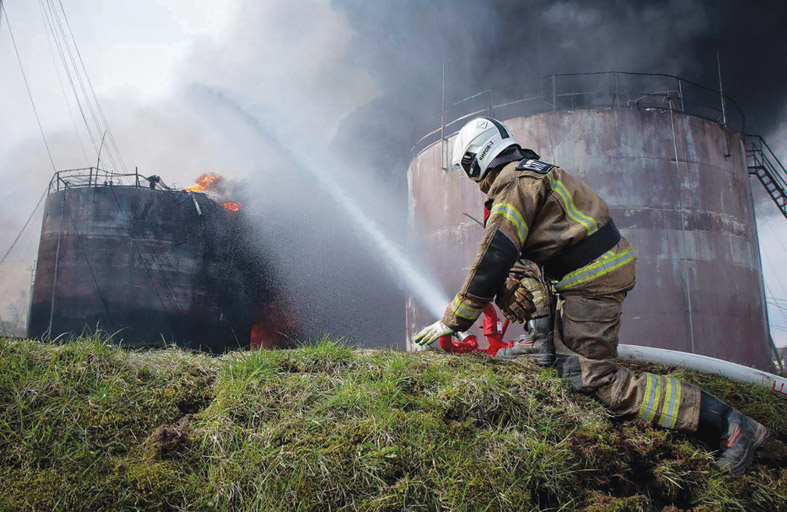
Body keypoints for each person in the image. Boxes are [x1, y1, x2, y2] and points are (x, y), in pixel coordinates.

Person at [414, 117, 770, 474]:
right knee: (517, 282)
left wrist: (453, 319)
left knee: (598, 380)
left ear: (476, 159)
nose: (474, 182)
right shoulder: (531, 172)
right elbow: (521, 255)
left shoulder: (514, 183)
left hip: (593, 279)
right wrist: (511, 290)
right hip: (584, 273)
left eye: (468, 169)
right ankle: (542, 346)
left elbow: (496, 252)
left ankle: (727, 426)